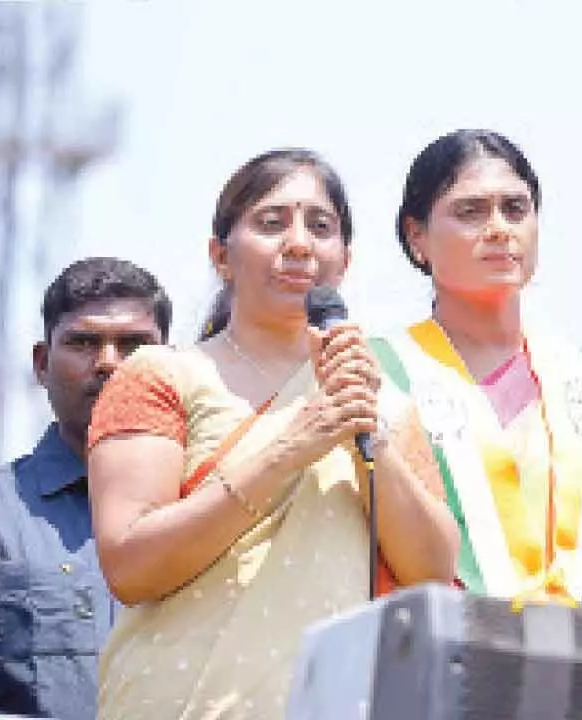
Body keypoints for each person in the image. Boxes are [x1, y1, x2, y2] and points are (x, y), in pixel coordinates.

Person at [86, 148, 459, 718]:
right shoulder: (163, 375)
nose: (300, 243)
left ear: (345, 259)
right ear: (221, 256)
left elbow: (432, 575)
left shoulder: (384, 403)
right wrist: (291, 447)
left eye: (321, 226)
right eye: (271, 222)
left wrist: (370, 439)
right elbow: (131, 567)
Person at [370, 129, 582, 622]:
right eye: (470, 212)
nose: (500, 229)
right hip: (452, 664)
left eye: (515, 209)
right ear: (416, 235)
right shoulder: (381, 376)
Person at [0, 257, 171, 719]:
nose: (108, 364)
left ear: (171, 368)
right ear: (42, 364)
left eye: (134, 345)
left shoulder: (213, 505)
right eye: (83, 342)